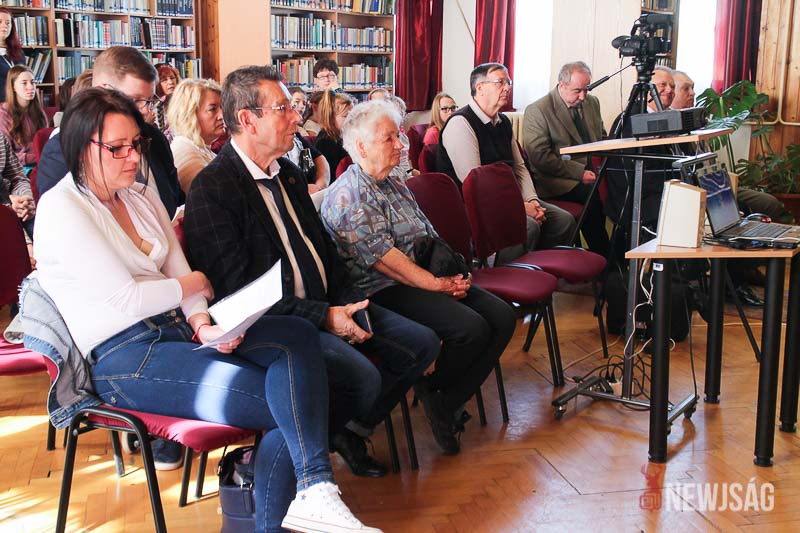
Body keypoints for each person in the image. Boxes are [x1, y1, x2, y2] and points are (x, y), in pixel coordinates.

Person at [32, 87, 380, 533]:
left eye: (136, 143)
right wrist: (192, 286)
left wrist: (201, 322)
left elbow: (179, 270)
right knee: (290, 406)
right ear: (83, 150)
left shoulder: (138, 196)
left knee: (295, 335)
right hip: (122, 357)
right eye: (117, 148)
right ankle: (305, 499)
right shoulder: (62, 207)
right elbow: (128, 299)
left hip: (178, 332)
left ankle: (314, 493)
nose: (133, 157)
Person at [183, 66, 439, 478]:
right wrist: (326, 318)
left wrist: (347, 304)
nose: (296, 117)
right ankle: (316, 442)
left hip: (324, 304)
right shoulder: (213, 189)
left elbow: (323, 251)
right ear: (248, 120)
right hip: (273, 323)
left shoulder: (286, 172)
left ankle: (342, 429)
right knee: (362, 377)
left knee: (422, 343)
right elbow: (237, 292)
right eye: (282, 108)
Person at [321, 100, 517, 455]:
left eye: (398, 136)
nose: (400, 144)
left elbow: (428, 234)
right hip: (382, 289)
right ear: (361, 147)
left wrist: (455, 275)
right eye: (389, 138)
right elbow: (387, 262)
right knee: (470, 328)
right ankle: (436, 393)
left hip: (422, 276)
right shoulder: (349, 195)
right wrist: (439, 285)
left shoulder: (393, 182)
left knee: (502, 316)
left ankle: (445, 399)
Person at [437, 62, 577, 263]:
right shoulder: (461, 123)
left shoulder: (502, 121)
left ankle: (541, 272)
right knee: (528, 225)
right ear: (480, 87)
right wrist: (520, 207)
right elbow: (475, 185)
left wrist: (532, 200)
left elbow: (519, 167)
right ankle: (508, 274)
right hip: (475, 205)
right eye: (500, 82)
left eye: (508, 82)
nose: (507, 88)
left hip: (509, 198)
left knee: (563, 221)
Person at [36, 46, 184, 220]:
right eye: (135, 100)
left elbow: (176, 199)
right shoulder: (63, 150)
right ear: (103, 92)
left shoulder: (154, 138)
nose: (145, 110)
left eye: (150, 100)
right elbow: (60, 219)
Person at [523, 61, 610, 256]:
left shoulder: (592, 102)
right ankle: (603, 255)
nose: (583, 96)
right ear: (561, 85)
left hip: (593, 172)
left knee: (623, 188)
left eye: (587, 89)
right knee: (592, 196)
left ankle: (617, 249)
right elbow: (540, 158)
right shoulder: (538, 110)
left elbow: (601, 138)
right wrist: (579, 173)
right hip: (556, 180)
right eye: (577, 90)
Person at [167, 78, 226, 193]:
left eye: (222, 107)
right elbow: (210, 197)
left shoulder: (200, 147)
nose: (222, 115)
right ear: (189, 113)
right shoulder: (185, 151)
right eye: (212, 109)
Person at [0, 65, 49, 170]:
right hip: (18, 168)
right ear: (13, 87)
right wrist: (35, 157)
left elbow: (46, 142)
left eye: (32, 82)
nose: (31, 87)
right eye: (24, 83)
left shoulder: (39, 112)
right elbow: (6, 156)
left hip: (41, 162)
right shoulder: (3, 115)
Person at [285, 86, 329, 192]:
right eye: (296, 103)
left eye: (304, 103)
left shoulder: (296, 135)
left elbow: (319, 157)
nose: (301, 107)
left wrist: (320, 185)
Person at [0, 132, 35, 265]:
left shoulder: (1, 139)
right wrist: (8, 205)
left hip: (11, 206)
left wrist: (26, 201)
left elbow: (18, 178)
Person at [313, 90, 355, 183]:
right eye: (346, 116)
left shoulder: (341, 138)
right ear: (331, 118)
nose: (351, 120)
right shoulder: (324, 143)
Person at [0, 8, 26, 102]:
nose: (4, 26)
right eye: (0, 22)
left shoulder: (19, 52)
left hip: (18, 104)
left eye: (8, 23)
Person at [154, 63, 181, 136]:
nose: (170, 82)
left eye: (172, 78)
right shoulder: (153, 108)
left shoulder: (183, 102)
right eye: (164, 80)